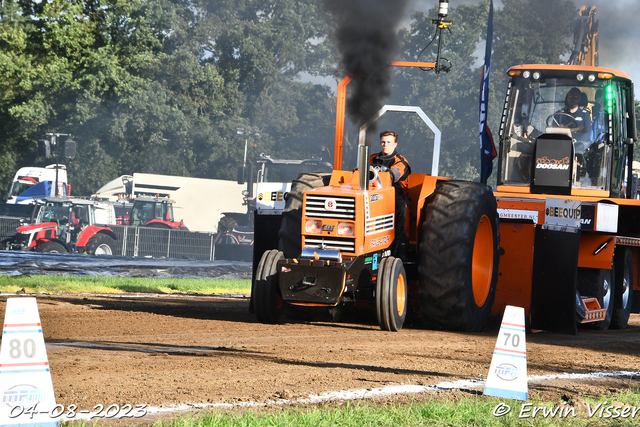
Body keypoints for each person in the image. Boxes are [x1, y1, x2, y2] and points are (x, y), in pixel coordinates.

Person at [369, 130, 411, 259]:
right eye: (383, 142)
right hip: (374, 191)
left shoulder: (401, 161)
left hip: (395, 192)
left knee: (401, 206)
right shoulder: (372, 158)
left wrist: (387, 173)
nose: (385, 145)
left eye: (388, 142)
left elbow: (395, 174)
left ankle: (401, 244)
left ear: (395, 144)